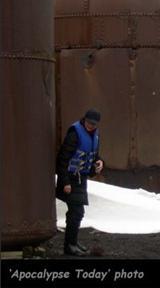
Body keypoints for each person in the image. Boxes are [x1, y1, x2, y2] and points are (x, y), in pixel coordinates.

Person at [55, 109, 104, 256]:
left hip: (81, 179)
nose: (91, 126)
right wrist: (65, 182)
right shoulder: (74, 134)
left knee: (77, 212)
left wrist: (100, 162)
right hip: (70, 178)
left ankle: (72, 243)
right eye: (89, 123)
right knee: (76, 212)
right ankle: (70, 245)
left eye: (94, 124)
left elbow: (93, 155)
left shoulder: (95, 136)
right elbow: (62, 159)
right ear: (84, 120)